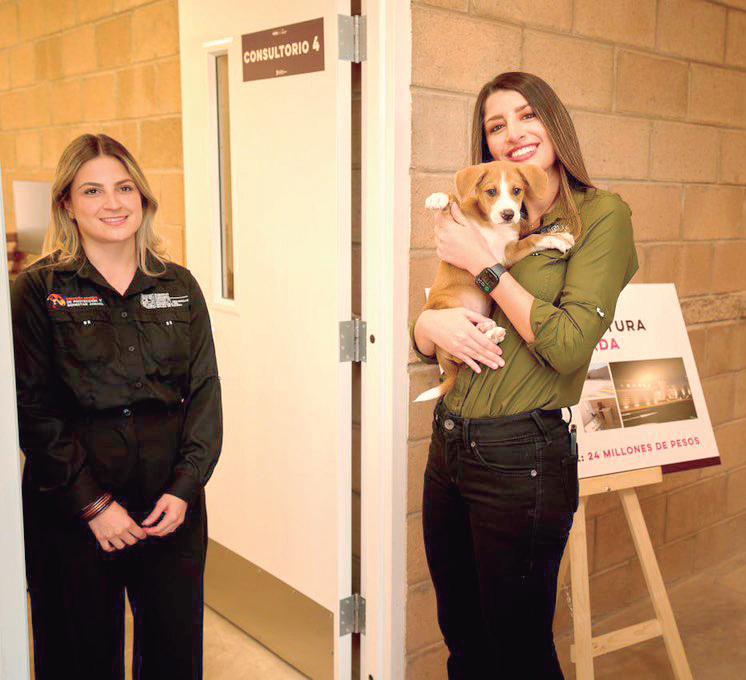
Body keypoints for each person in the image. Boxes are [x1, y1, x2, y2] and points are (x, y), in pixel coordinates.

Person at [411, 72, 638, 678]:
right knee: (463, 640)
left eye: (526, 115)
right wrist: (426, 327)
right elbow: (436, 324)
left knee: (518, 652)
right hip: (450, 441)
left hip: (522, 455)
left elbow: (567, 346)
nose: (512, 133)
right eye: (496, 125)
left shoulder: (600, 216)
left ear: (554, 120)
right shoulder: (483, 213)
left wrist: (486, 266)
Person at [11, 133, 222, 680]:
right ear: (67, 204)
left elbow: (204, 392)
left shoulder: (178, 286)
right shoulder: (37, 290)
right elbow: (34, 409)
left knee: (173, 656)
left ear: (143, 197)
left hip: (168, 510)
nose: (113, 203)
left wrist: (186, 487)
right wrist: (94, 505)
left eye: (124, 187)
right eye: (93, 190)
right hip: (72, 510)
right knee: (78, 657)